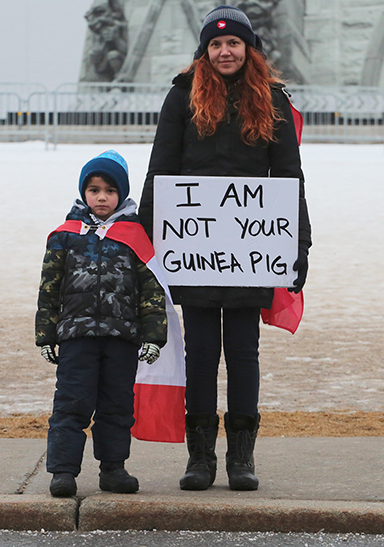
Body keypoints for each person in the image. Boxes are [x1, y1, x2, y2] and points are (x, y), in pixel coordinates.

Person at [138, 5, 311, 491]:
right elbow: (161, 170)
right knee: (200, 355)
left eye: (233, 43)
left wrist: (298, 246)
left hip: (249, 251)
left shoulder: (273, 100)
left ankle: (240, 459)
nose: (224, 51)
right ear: (204, 51)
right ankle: (200, 459)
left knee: (242, 352)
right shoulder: (182, 96)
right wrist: (150, 243)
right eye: (215, 45)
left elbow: (289, 180)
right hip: (193, 250)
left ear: (248, 48)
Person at [35, 150, 168, 498]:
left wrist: (154, 335)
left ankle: (113, 468)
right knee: (71, 403)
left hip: (121, 338)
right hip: (77, 338)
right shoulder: (65, 236)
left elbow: (151, 290)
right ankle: (63, 471)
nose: (102, 197)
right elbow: (49, 289)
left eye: (109, 190)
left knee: (117, 406)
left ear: (120, 194)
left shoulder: (134, 236)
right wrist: (46, 335)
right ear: (84, 193)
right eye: (94, 190)